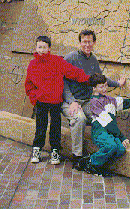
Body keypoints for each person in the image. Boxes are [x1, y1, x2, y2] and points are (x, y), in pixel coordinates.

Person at [62, 29, 127, 169]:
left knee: (102, 116)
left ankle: (107, 148)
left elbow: (100, 79)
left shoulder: (93, 59)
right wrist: (71, 100)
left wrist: (118, 84)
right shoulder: (71, 57)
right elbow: (61, 80)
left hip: (87, 101)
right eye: (84, 42)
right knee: (79, 119)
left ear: (94, 42)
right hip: (70, 101)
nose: (87, 45)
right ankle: (77, 157)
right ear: (79, 42)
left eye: (89, 42)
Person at [25, 36, 91, 165]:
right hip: (41, 102)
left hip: (55, 102)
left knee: (55, 127)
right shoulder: (33, 64)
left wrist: (89, 79)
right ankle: (37, 148)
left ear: (49, 48)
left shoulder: (57, 61)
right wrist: (35, 97)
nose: (42, 50)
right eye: (39, 47)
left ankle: (55, 150)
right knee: (40, 126)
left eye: (44, 47)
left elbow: (74, 72)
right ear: (36, 48)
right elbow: (29, 85)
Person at [78, 73, 130, 176]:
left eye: (106, 85)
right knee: (111, 146)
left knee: (120, 149)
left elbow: (121, 103)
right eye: (101, 86)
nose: (105, 88)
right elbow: (107, 122)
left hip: (110, 131)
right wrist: (121, 137)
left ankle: (98, 162)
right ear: (94, 88)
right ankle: (90, 162)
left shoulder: (109, 99)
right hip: (100, 130)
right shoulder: (94, 102)